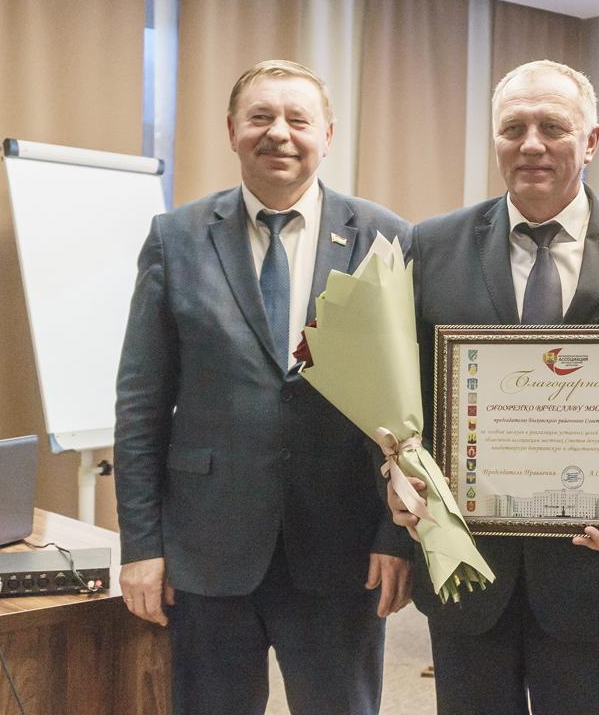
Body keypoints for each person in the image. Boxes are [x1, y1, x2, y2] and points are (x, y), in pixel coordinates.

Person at [392, 59, 599, 715]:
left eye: (553, 127)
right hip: (467, 571)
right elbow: (405, 402)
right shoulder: (432, 245)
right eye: (513, 128)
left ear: (591, 141)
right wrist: (398, 474)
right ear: (495, 140)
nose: (532, 144)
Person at [114, 59, 414, 715]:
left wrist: (398, 536)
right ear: (232, 130)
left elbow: (411, 404)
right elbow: (141, 405)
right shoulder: (176, 238)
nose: (279, 132)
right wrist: (142, 547)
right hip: (207, 548)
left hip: (343, 548)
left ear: (327, 135)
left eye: (297, 119)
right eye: (260, 117)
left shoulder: (386, 237)